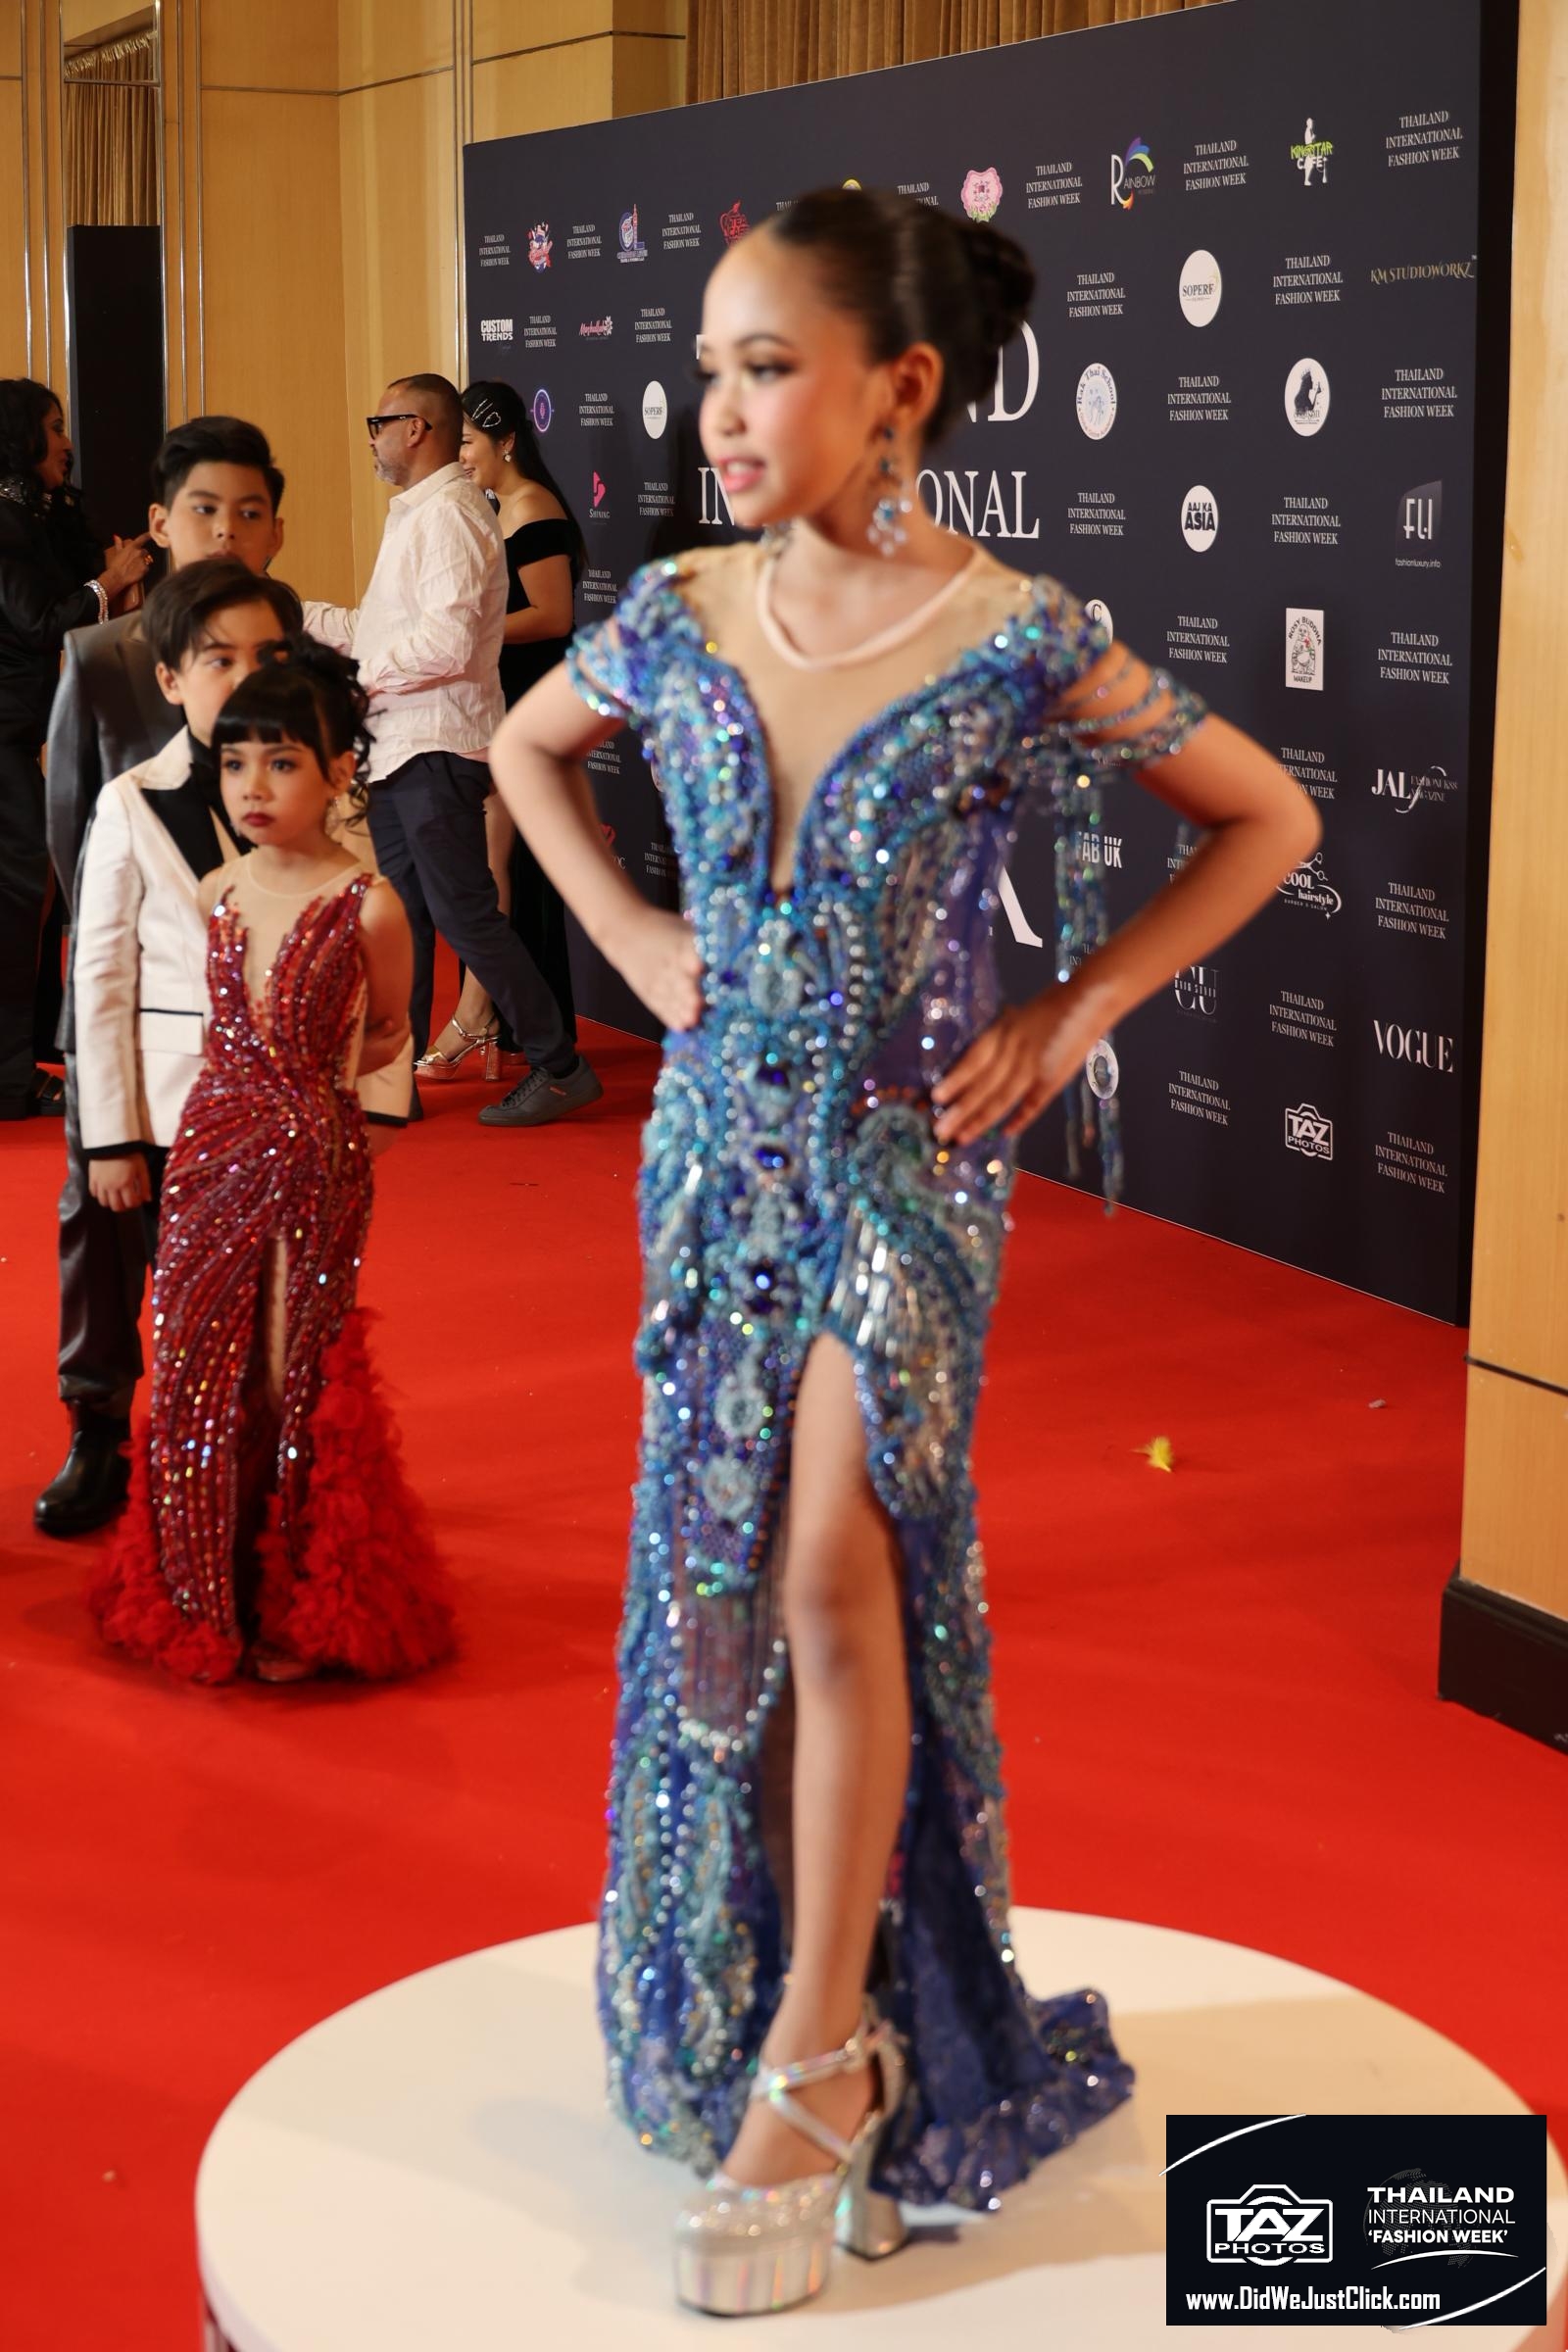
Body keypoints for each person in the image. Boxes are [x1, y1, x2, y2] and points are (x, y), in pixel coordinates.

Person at [489, 185, 1321, 2317]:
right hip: (711, 1166)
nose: (718, 408)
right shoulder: (673, 609)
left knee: (831, 1560)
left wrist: (1077, 1006)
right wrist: (634, 935)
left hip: (902, 1171)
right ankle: (821, 1996)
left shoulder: (1018, 638)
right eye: (709, 367)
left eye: (765, 367)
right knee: (727, 1590)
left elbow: (1270, 816)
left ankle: (818, 2060)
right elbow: (521, 749)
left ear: (901, 390)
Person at [89, 636, 454, 1687]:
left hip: (314, 1161)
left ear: (338, 773)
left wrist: (314, 1090)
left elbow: (389, 1030)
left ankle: (297, 1598)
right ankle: (204, 1590)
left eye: (283, 762)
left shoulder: (370, 904)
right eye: (237, 762)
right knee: (199, 1357)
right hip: (210, 1149)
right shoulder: (217, 891)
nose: (253, 786)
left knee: (296, 1364)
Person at [36, 416, 320, 1539]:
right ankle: (97, 1421)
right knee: (101, 1219)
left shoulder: (297, 657)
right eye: (205, 509)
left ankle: (255, 1441)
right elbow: (74, 839)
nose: (227, 531)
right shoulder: (101, 659)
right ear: (160, 523)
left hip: (263, 1045)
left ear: (276, 529)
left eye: (250, 512)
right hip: (128, 994)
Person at [304, 372, 598, 1129]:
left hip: (437, 748)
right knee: (405, 921)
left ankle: (560, 1067)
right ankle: (391, 1077)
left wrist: (355, 677)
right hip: (404, 746)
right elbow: (377, 630)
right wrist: (294, 615)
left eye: (379, 423)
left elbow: (449, 644)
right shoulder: (419, 514)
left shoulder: (452, 517)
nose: (371, 438)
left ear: (416, 429)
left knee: (466, 919)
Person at [414, 382, 582, 1083]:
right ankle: (506, 1024)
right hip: (496, 703)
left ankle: (480, 1015)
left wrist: (467, 634)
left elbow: (554, 615)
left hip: (531, 708)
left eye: (468, 444)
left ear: (507, 441)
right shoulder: (486, 508)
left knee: (495, 861)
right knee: (498, 863)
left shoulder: (533, 507)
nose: (460, 457)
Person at [0, 378, 149, 1124]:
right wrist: (109, 581)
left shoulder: (29, 511)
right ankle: (10, 1077)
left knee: (32, 890)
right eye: (55, 427)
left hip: (17, 734)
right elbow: (38, 621)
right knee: (21, 893)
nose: (66, 442)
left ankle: (24, 1058)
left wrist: (110, 583)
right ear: (21, 435)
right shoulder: (2, 514)